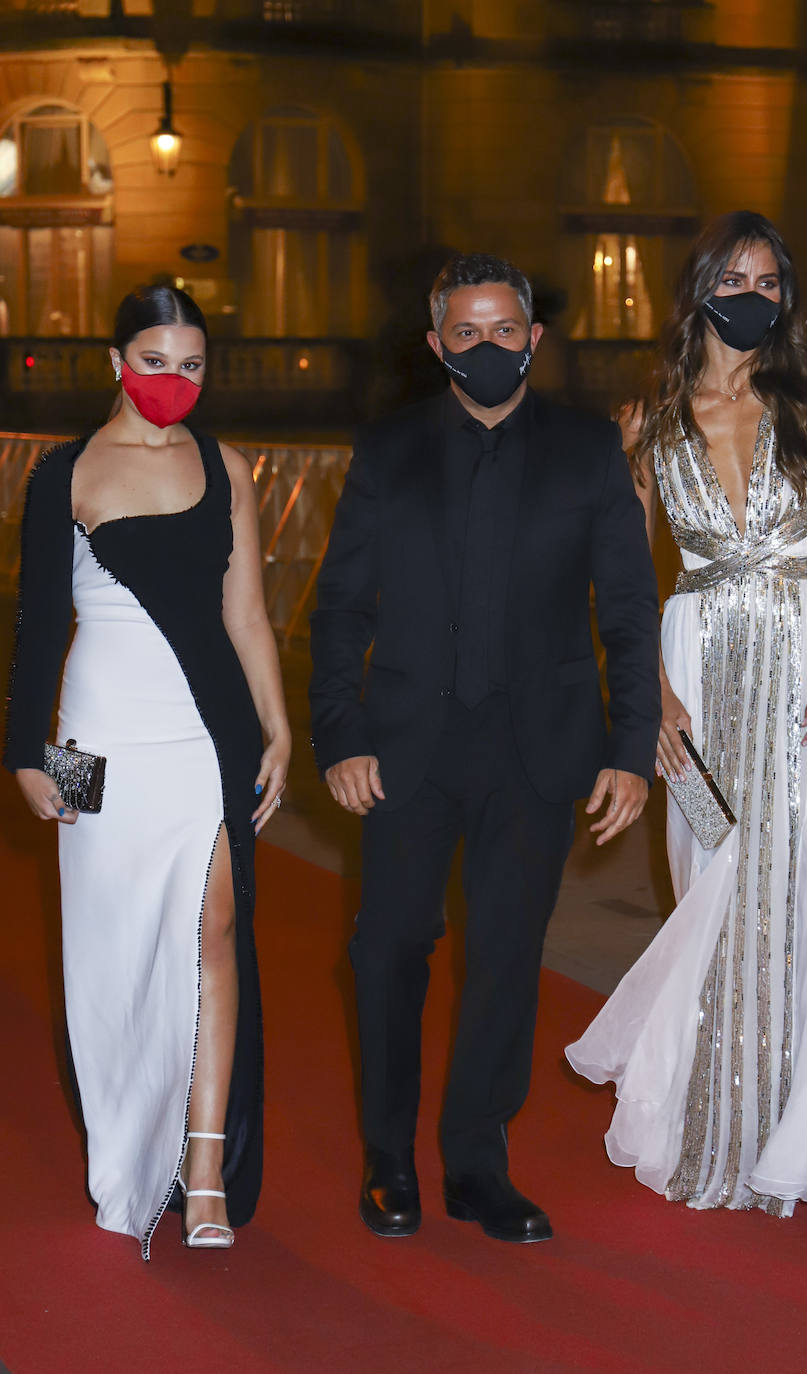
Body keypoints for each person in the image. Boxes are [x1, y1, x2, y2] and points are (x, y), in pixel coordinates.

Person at [309, 252, 660, 1243]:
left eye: (505, 330)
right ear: (436, 345)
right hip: (405, 747)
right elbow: (339, 602)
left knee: (506, 958)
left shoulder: (590, 449)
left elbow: (628, 609)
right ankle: (388, 1158)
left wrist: (629, 747)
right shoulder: (387, 450)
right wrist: (338, 730)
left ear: (533, 338)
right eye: (465, 333)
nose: (487, 348)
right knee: (387, 953)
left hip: (538, 748)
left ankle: (474, 1164)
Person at [566, 211, 807, 1239]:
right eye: (733, 277)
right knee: (713, 890)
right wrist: (652, 694)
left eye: (769, 279)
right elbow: (617, 578)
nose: (751, 295)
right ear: (699, 287)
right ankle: (715, 1125)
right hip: (697, 670)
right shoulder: (651, 421)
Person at [3, 284, 290, 1258]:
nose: (175, 381)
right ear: (115, 361)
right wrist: (27, 756)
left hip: (209, 736)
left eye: (194, 364)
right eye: (156, 360)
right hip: (95, 738)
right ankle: (131, 1144)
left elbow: (248, 613)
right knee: (110, 941)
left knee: (214, 931)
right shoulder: (66, 474)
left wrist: (278, 725)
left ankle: (202, 1170)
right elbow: (40, 623)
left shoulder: (228, 467)